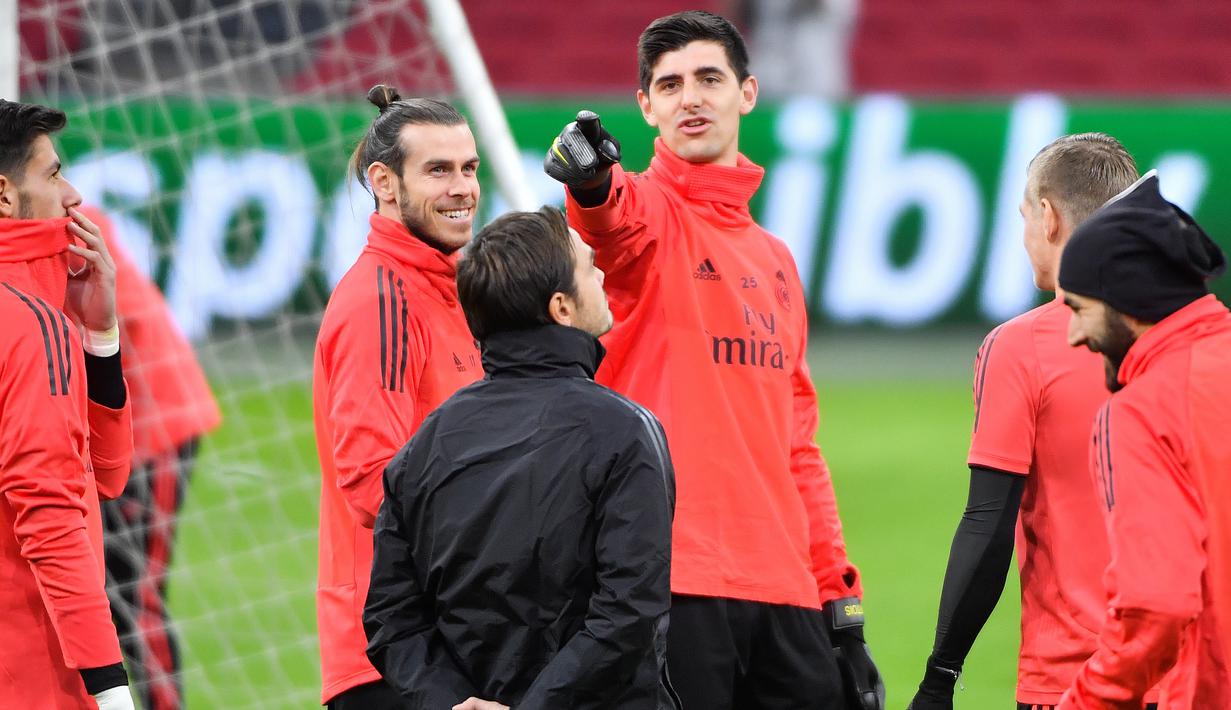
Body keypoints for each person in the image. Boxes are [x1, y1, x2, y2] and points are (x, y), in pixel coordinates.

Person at [543, 11, 881, 710]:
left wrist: (840, 607)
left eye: (707, 79)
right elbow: (610, 217)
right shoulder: (647, 211)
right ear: (645, 107)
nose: (689, 98)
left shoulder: (776, 259)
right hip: (673, 583)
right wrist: (590, 185)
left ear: (746, 92)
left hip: (785, 591)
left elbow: (798, 448)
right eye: (668, 85)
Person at [365, 206, 679, 710]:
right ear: (561, 307)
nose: (600, 274)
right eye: (589, 265)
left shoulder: (425, 443)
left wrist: (451, 700)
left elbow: (391, 615)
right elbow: (630, 611)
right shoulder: (625, 431)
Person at [908, 134, 1150, 710]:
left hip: (1074, 680)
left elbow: (987, 524)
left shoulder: (1023, 348)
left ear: (1048, 217)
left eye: (1024, 215)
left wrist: (940, 678)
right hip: (1192, 675)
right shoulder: (1201, 341)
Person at [314, 85, 483, 709]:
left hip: (448, 633)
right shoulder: (380, 300)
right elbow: (369, 480)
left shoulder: (454, 288)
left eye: (468, 168)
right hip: (395, 652)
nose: (462, 187)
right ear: (384, 182)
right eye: (438, 170)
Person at [1055, 171, 1231, 709]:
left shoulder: (1142, 410)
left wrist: (1086, 702)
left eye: (1080, 309)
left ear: (1128, 300)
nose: (1075, 336)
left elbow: (1156, 605)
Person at [0, 100, 136, 708]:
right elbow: (54, 517)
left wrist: (98, 339)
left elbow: (103, 473)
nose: (74, 194)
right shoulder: (28, 324)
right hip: (31, 672)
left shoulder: (47, 316)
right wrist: (111, 691)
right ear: (4, 196)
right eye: (52, 174)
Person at [85, 206, 222, 710]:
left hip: (154, 427)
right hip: (102, 441)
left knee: (135, 597)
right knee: (91, 596)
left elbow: (107, 325)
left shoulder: (73, 223)